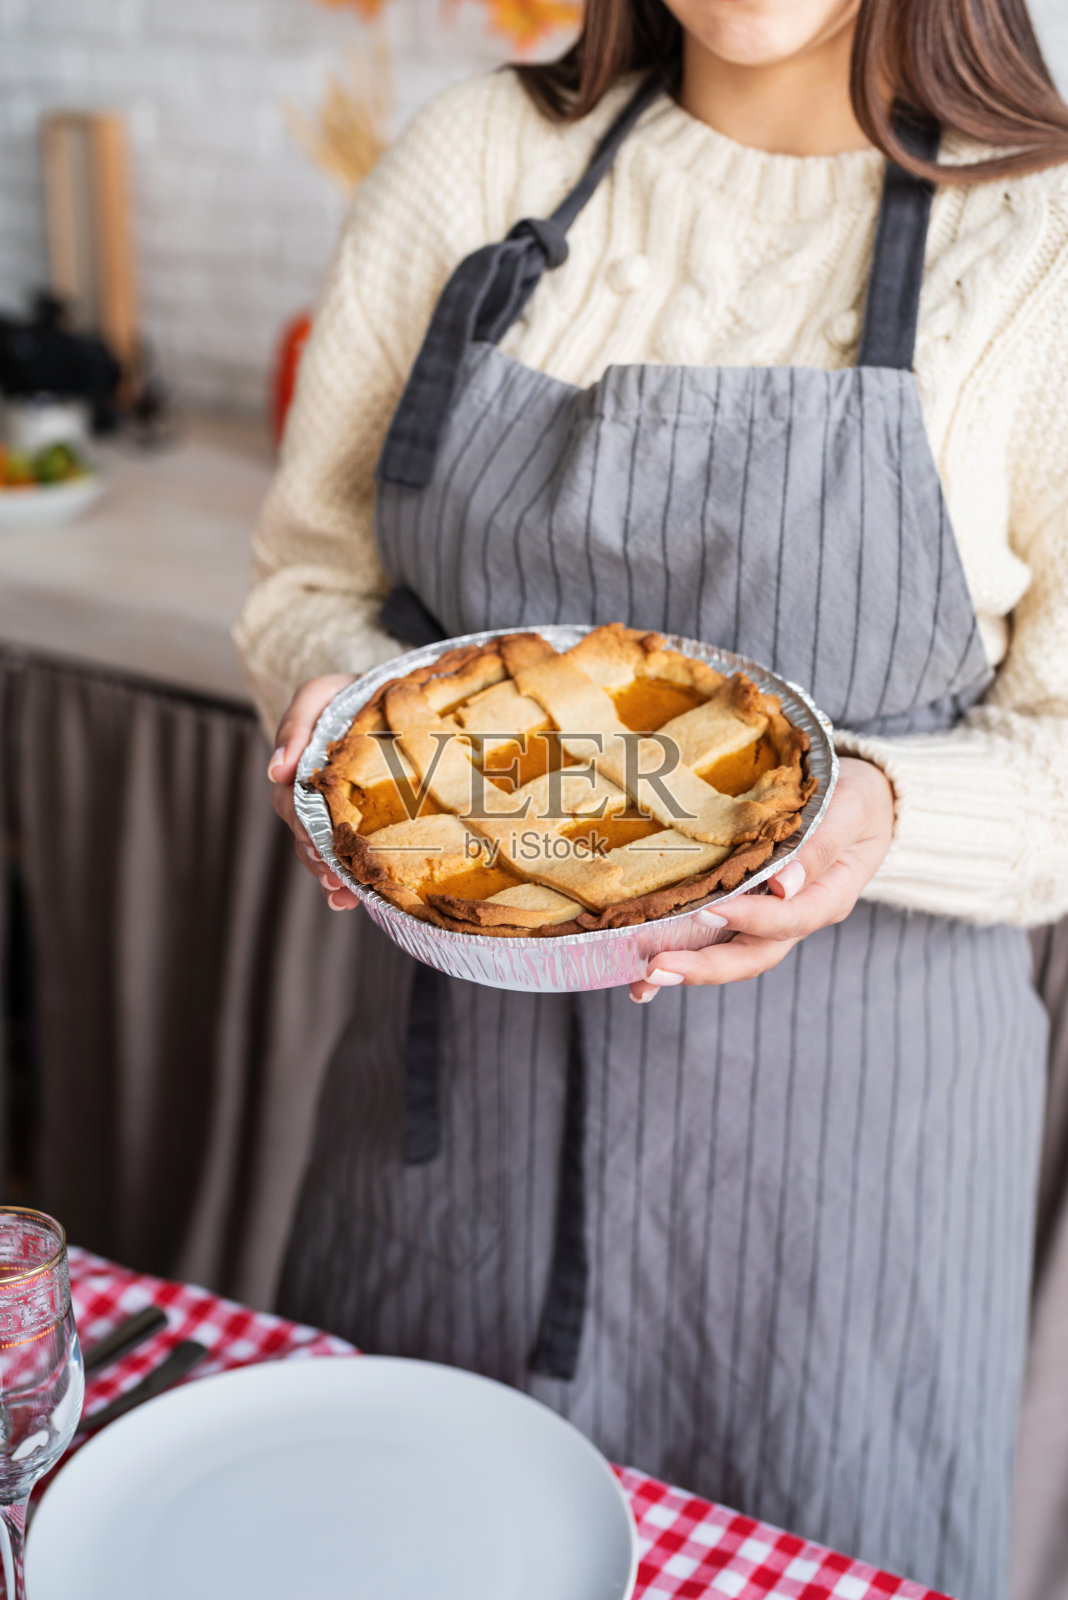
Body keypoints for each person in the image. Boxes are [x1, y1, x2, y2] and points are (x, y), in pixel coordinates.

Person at [235, 1, 1068, 1593]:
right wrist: (341, 714)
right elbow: (306, 577)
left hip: (847, 1186)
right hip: (450, 1135)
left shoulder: (1039, 245)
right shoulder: (482, 159)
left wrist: (872, 812)